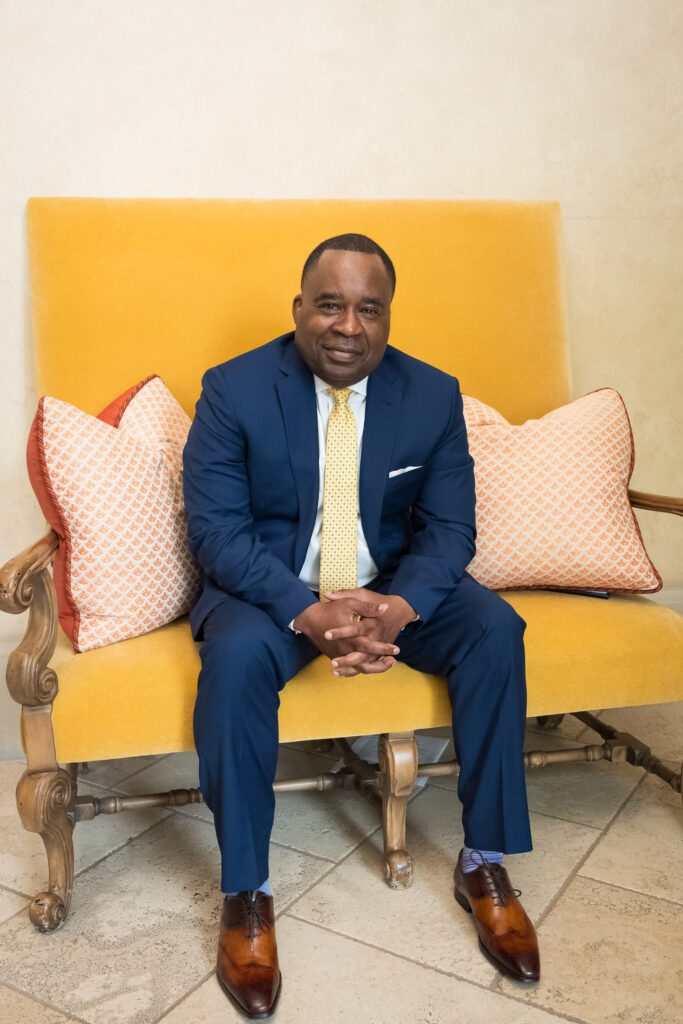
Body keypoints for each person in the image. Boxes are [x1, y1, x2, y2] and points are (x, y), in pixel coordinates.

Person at [182, 233, 540, 1019]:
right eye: (331, 304)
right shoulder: (233, 389)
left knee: (494, 629)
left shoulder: (431, 394)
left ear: (387, 318)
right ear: (299, 309)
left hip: (388, 589)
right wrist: (304, 610)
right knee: (236, 661)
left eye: (368, 310)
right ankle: (247, 890)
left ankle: (482, 860)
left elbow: (450, 531)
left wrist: (399, 608)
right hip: (271, 591)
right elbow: (217, 531)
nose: (348, 326)